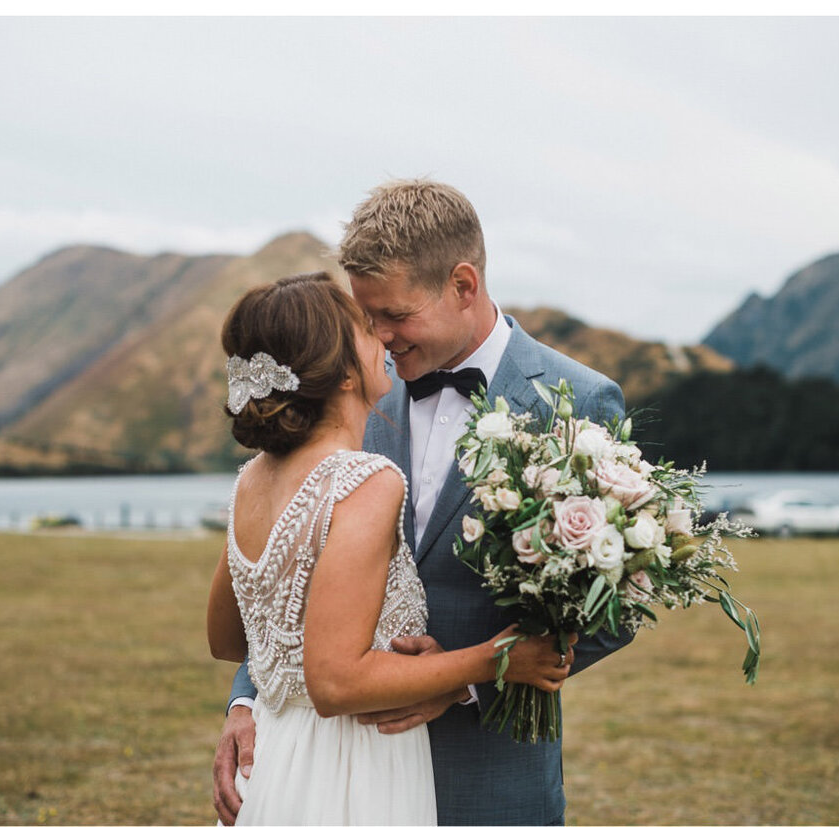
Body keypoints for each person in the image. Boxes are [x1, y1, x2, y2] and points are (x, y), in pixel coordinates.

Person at [213, 179, 632, 824]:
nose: (378, 336)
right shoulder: (349, 398)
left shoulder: (577, 402)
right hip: (332, 770)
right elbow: (289, 578)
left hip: (486, 774)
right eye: (367, 315)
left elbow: (613, 605)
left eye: (396, 315)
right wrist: (249, 698)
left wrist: (465, 683)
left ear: (464, 285)